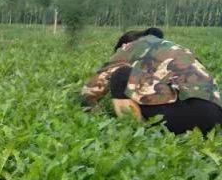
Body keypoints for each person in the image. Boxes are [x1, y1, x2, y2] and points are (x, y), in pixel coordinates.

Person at [81, 27, 222, 134]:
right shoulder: (171, 48)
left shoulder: (129, 47)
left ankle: (134, 133)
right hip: (216, 118)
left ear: (124, 45)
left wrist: (88, 106)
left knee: (120, 75)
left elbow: (90, 90)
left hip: (188, 117)